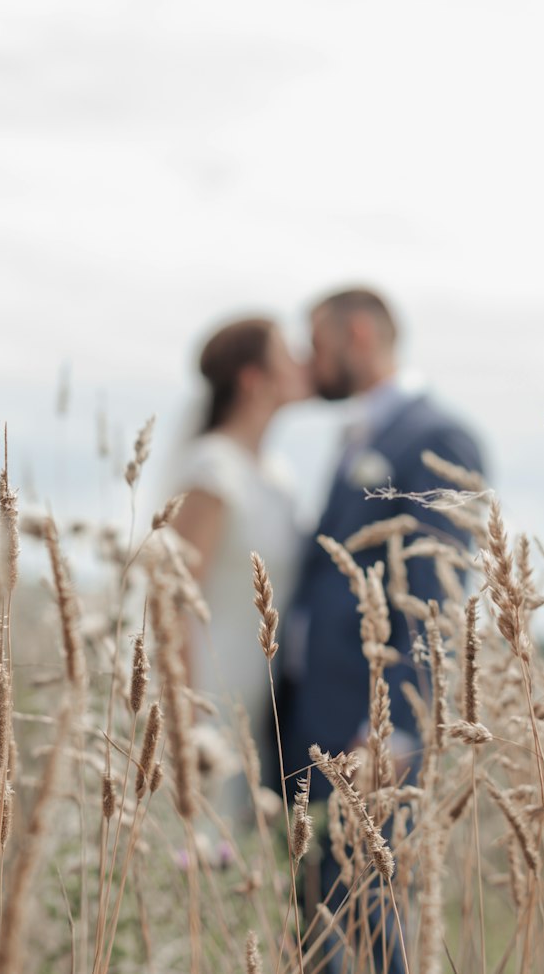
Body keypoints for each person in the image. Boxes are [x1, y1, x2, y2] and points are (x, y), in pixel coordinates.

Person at [274, 287, 486, 970]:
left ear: (358, 334)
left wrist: (395, 724)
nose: (311, 360)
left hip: (370, 732)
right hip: (316, 718)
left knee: (372, 920)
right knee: (321, 925)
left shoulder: (436, 438)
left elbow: (436, 591)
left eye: (317, 341)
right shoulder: (359, 435)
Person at [169, 316, 310, 808]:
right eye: (288, 354)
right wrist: (188, 720)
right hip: (209, 687)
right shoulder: (212, 468)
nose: (303, 361)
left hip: (262, 697)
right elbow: (173, 597)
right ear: (254, 379)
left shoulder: (279, 475)